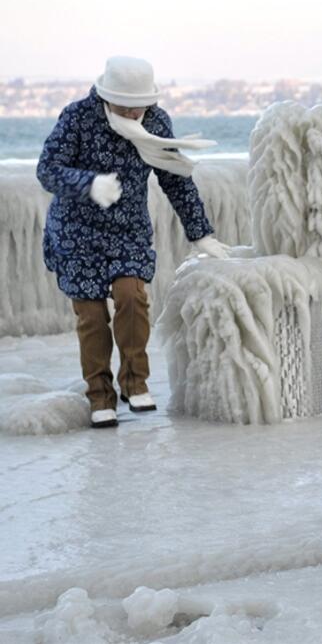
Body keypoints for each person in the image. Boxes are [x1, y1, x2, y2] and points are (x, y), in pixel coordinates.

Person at [37, 56, 232, 429]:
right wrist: (88, 184)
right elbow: (47, 169)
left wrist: (200, 233)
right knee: (92, 316)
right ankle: (100, 395)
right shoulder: (77, 117)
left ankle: (134, 382)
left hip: (128, 232)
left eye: (137, 106)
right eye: (122, 105)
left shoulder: (156, 121)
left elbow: (175, 178)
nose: (130, 112)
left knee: (132, 297)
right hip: (76, 232)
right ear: (105, 97)